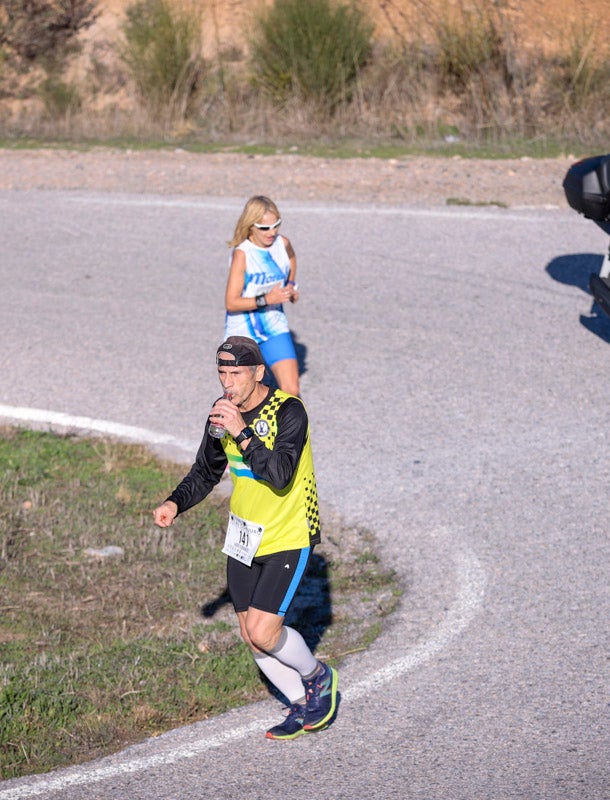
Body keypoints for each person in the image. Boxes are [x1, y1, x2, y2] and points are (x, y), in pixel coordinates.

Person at [152, 336, 337, 740]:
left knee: (266, 630)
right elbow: (205, 472)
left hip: (288, 533)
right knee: (250, 637)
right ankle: (299, 703)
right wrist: (174, 503)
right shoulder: (220, 415)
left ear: (258, 372)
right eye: (222, 372)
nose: (228, 382)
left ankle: (317, 677)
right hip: (243, 535)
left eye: (236, 373)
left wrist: (243, 431)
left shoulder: (289, 411)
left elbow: (280, 474)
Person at [224, 196, 302, 396]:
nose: (272, 232)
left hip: (274, 325)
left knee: (291, 391)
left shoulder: (282, 243)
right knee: (242, 397)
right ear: (251, 226)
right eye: (265, 228)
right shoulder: (243, 254)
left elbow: (292, 260)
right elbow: (231, 302)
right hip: (242, 331)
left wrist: (290, 286)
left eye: (276, 225)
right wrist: (267, 300)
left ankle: (287, 427)